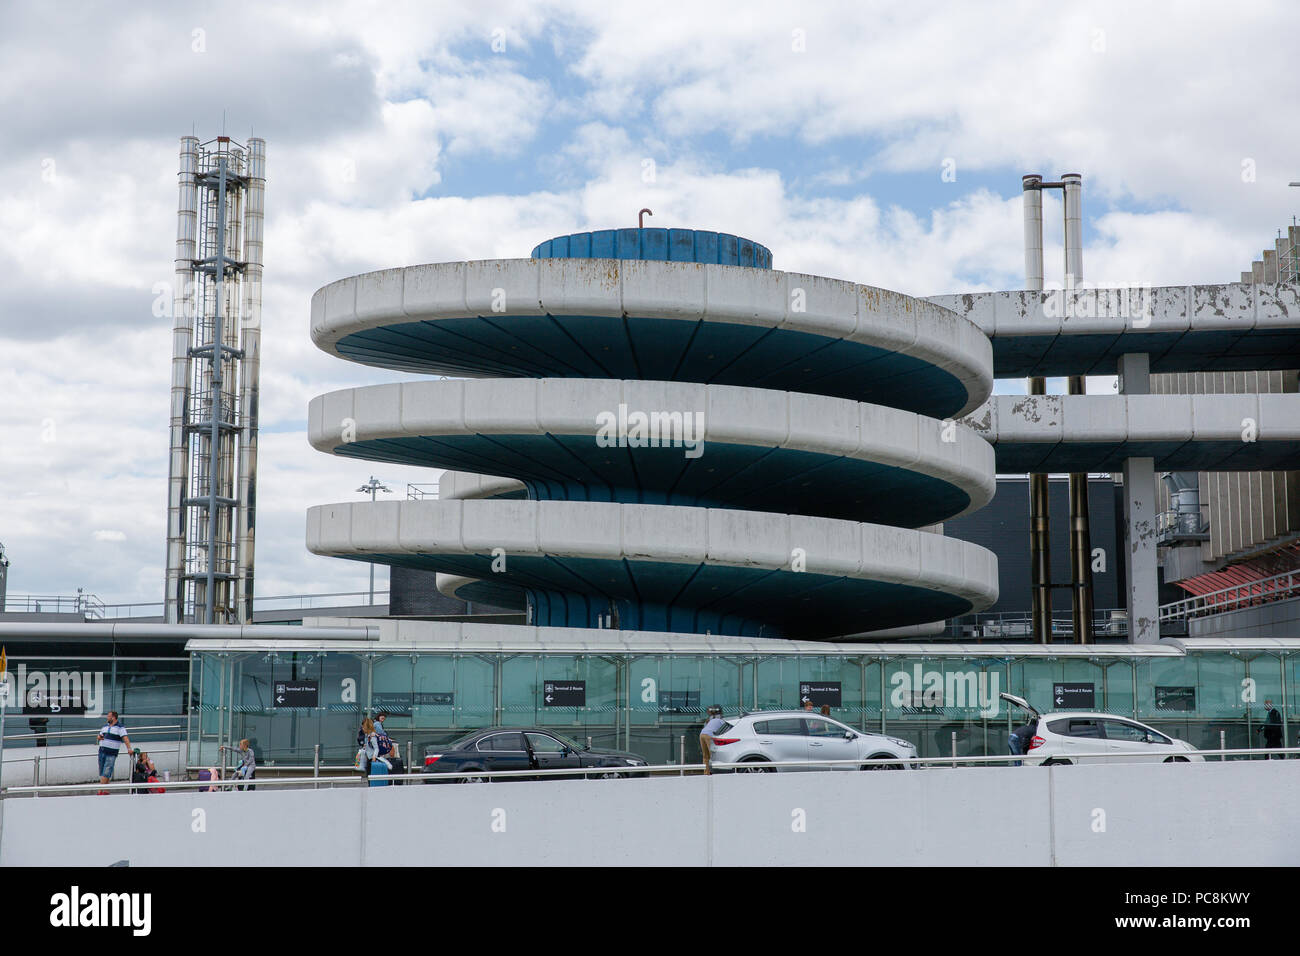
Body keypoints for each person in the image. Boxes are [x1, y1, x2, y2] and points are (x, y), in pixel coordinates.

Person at [96, 711, 131, 793]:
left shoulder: (120, 727)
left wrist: (129, 749)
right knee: (102, 772)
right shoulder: (105, 726)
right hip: (102, 751)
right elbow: (99, 736)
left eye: (108, 716)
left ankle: (99, 791)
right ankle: (106, 791)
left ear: (113, 717)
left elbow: (125, 738)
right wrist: (99, 737)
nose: (107, 718)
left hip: (111, 753)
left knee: (106, 771)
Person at [699, 705, 726, 775]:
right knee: (712, 755)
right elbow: (725, 730)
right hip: (709, 735)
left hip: (702, 734)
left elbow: (705, 726)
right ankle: (713, 771)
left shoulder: (709, 720)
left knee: (705, 755)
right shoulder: (721, 721)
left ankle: (706, 772)